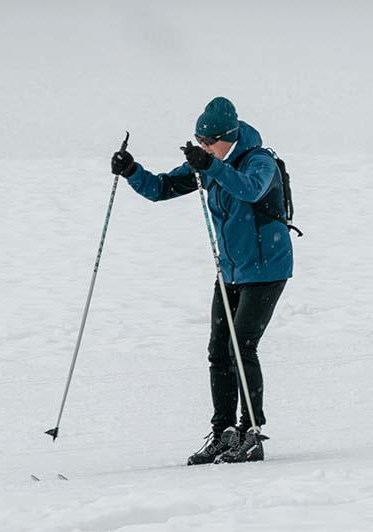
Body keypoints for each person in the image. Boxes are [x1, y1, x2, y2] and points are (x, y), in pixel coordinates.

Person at [110, 97, 293, 464]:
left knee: (242, 347)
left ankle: (251, 433)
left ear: (231, 136)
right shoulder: (212, 163)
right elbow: (162, 188)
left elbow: (249, 189)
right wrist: (131, 171)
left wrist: (210, 164)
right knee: (218, 351)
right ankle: (224, 433)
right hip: (230, 270)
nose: (205, 148)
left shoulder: (259, 161)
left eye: (210, 143)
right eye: (200, 141)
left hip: (266, 268)